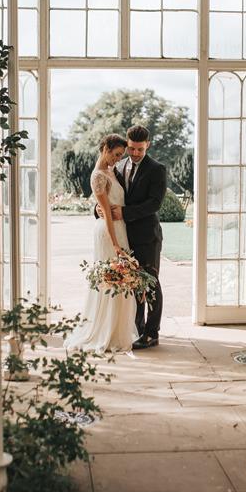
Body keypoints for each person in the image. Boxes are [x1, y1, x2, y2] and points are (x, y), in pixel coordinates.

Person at [63, 134, 140, 353]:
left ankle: (117, 330)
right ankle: (104, 330)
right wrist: (115, 244)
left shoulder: (111, 171)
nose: (118, 159)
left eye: (120, 156)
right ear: (105, 148)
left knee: (120, 279)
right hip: (109, 233)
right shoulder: (98, 176)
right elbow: (105, 212)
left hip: (120, 229)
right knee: (110, 279)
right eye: (115, 154)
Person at [97, 125, 167, 350]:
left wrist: (124, 213)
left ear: (148, 145)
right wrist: (97, 210)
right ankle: (137, 328)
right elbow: (109, 194)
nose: (135, 154)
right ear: (127, 144)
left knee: (150, 285)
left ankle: (151, 333)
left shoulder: (157, 169)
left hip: (147, 237)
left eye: (140, 149)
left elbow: (154, 204)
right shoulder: (120, 165)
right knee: (133, 286)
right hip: (126, 237)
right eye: (132, 149)